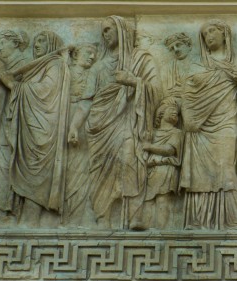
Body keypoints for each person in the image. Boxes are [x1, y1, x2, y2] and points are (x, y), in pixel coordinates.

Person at [69, 16, 163, 229]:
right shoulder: (98, 68)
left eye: (109, 29)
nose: (105, 34)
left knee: (131, 160)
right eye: (103, 31)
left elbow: (157, 91)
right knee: (101, 169)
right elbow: (86, 101)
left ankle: (134, 216)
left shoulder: (141, 60)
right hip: (100, 126)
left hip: (129, 122)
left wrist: (133, 81)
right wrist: (74, 126)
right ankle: (103, 218)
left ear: (122, 30)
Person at [180, 19, 237, 230]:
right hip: (198, 127)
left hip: (227, 122)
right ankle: (199, 220)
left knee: (226, 167)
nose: (208, 36)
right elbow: (186, 94)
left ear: (224, 33)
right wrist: (188, 119)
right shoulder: (197, 65)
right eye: (205, 34)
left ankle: (233, 218)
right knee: (200, 173)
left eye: (212, 31)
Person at [0, 30, 70, 227]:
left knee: (35, 170)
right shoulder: (37, 66)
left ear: (52, 44)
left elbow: (45, 92)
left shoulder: (55, 64)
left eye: (41, 41)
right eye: (35, 41)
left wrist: (14, 85)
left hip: (44, 130)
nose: (36, 44)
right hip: (29, 127)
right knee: (23, 167)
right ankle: (20, 216)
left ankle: (31, 220)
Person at [0, 29, 29, 226]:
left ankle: (6, 209)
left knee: (6, 164)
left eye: (2, 42)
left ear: (14, 43)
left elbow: (28, 93)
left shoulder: (23, 62)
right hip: (0, 121)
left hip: (14, 123)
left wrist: (6, 84)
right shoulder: (1, 63)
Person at [134, 100, 183, 230]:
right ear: (161, 113)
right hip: (151, 169)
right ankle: (147, 223)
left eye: (177, 113)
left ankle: (161, 227)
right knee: (148, 199)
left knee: (162, 198)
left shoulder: (176, 133)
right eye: (171, 110)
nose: (175, 114)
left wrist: (150, 147)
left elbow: (169, 150)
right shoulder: (153, 133)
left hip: (166, 168)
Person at [64, 43, 98, 227]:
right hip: (63, 118)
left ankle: (77, 215)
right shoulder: (65, 71)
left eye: (94, 54)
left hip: (85, 122)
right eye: (88, 52)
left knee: (80, 168)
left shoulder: (93, 75)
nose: (92, 57)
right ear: (76, 54)